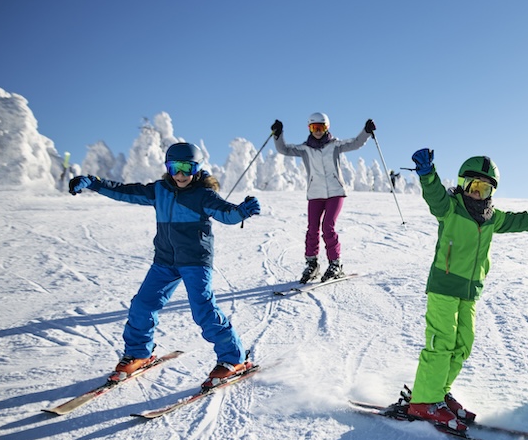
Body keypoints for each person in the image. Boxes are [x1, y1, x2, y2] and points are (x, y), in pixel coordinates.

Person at [405, 148, 528, 431]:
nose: (477, 193)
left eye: (484, 189)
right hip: (444, 286)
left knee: (463, 344)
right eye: (473, 186)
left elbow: (523, 219)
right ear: (463, 184)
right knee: (441, 341)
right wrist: (427, 174)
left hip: (470, 290)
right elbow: (435, 196)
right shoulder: (450, 208)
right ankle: (424, 401)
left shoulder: (492, 217)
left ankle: (439, 392)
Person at [68, 142, 261, 389]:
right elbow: (124, 191)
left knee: (203, 310)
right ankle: (139, 353)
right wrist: (93, 182)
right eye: (174, 168)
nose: (180, 175)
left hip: (194, 261)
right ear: (167, 168)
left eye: (186, 168)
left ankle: (233, 359)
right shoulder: (159, 190)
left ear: (197, 168)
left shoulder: (203, 195)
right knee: (142, 305)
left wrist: (242, 211)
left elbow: (227, 214)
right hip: (165, 261)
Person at [270, 114, 375, 283]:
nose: (317, 132)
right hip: (315, 194)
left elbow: (355, 143)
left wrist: (366, 132)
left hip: (336, 192)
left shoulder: (335, 145)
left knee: (328, 226)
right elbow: (284, 149)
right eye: (314, 128)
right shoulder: (305, 149)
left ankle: (335, 264)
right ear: (309, 129)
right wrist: (278, 134)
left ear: (327, 127)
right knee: (312, 228)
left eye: (321, 128)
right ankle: (312, 264)